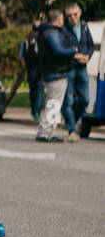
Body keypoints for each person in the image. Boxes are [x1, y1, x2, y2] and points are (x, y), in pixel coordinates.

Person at [35, 9, 77, 143]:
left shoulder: (45, 32)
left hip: (51, 72)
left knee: (54, 103)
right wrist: (72, 51)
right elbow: (59, 51)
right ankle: (46, 132)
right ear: (59, 20)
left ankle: (48, 131)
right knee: (54, 104)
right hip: (56, 73)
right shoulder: (53, 33)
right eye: (62, 19)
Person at [61, 1, 95, 141]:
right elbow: (62, 49)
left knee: (85, 99)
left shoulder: (85, 26)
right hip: (70, 68)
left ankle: (71, 121)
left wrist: (87, 56)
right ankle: (71, 130)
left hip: (82, 68)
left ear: (80, 13)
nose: (73, 18)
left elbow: (90, 45)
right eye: (69, 16)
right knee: (68, 100)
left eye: (75, 14)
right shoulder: (63, 30)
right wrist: (74, 56)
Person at [19, 16, 44, 121]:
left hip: (31, 68)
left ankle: (34, 111)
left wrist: (25, 67)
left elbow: (21, 56)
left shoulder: (26, 40)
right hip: (40, 67)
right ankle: (37, 111)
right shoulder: (43, 38)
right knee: (40, 90)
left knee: (33, 90)